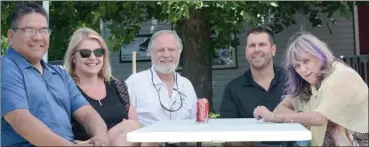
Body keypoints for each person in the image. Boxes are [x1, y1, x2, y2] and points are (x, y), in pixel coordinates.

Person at [1, 2, 109, 146]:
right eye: (30, 30)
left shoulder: (59, 74)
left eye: (44, 31)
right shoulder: (6, 68)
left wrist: (100, 138)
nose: (38, 37)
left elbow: (87, 113)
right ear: (11, 35)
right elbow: (21, 121)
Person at [253, 32, 368, 146]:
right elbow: (280, 108)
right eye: (297, 66)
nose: (302, 70)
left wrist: (274, 118)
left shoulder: (341, 76)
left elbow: (319, 118)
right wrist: (302, 118)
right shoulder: (310, 81)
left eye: (306, 61)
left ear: (320, 55)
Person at [63, 27, 141, 146]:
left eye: (99, 52)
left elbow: (136, 128)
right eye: (85, 53)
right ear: (73, 57)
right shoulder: (65, 88)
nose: (93, 57)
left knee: (131, 128)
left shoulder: (118, 86)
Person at [219, 26, 287, 146]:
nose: (256, 50)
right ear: (246, 52)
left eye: (262, 44)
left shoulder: (292, 82)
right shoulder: (233, 89)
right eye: (252, 45)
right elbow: (229, 135)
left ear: (273, 49)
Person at [125, 30, 198, 126]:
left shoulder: (186, 85)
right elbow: (124, 124)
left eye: (171, 50)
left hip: (182, 140)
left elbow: (195, 123)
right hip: (147, 140)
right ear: (150, 53)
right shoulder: (135, 83)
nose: (166, 55)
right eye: (160, 50)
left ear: (179, 53)